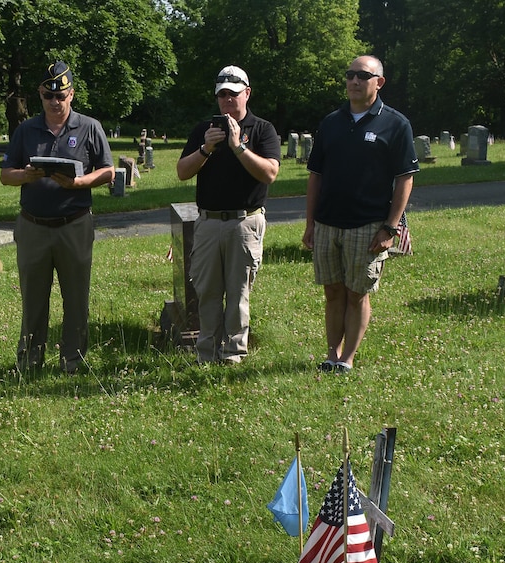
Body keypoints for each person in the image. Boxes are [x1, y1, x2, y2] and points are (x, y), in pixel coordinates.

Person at [301, 55, 418, 373]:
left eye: (362, 76)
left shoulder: (395, 124)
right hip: (327, 224)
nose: (354, 81)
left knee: (356, 294)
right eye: (350, 75)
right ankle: (331, 354)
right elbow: (316, 175)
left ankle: (347, 359)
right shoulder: (331, 122)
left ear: (378, 83)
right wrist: (310, 223)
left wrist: (390, 228)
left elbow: (405, 178)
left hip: (367, 226)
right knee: (332, 291)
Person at [1, 60, 114, 374]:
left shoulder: (89, 127)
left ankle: (73, 361)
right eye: (49, 96)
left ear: (71, 94)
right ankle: (30, 361)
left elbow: (108, 170)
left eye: (61, 96)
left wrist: (80, 182)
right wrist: (26, 175)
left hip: (74, 224)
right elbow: (5, 176)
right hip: (33, 225)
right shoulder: (26, 130)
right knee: (33, 298)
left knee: (76, 297)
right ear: (40, 94)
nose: (55, 102)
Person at [176, 65, 281, 364]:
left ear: (247, 93)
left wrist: (238, 148)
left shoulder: (262, 129)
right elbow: (183, 172)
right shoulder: (203, 130)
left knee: (238, 294)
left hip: (244, 222)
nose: (227, 101)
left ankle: (233, 354)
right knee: (206, 292)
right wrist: (206, 148)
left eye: (233, 95)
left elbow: (270, 173)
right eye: (222, 95)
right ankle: (207, 354)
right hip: (209, 222)